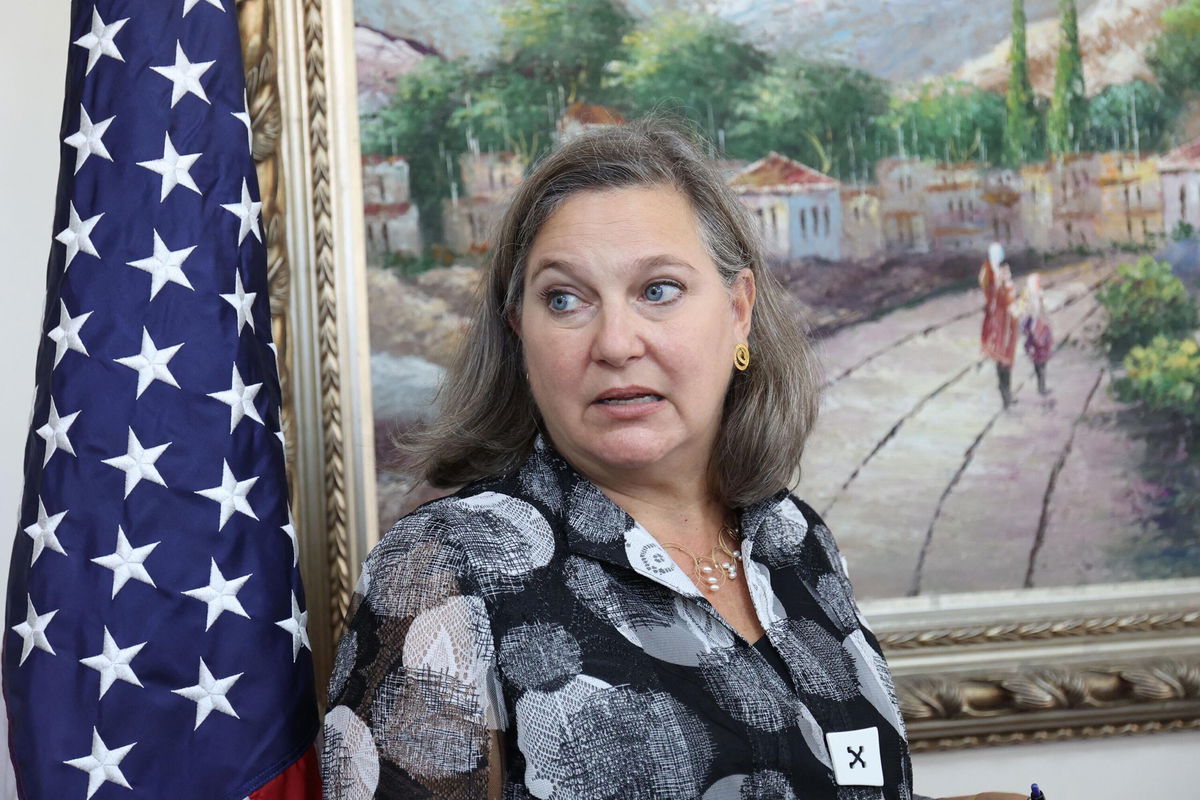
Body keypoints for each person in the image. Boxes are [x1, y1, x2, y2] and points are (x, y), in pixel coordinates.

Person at [320, 120, 913, 799]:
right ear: (521, 338)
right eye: (565, 299)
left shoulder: (794, 538)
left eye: (658, 290)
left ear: (738, 311)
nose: (616, 342)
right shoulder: (443, 564)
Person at [979, 242, 1020, 409]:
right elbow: (997, 298)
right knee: (1002, 356)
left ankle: (1007, 393)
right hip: (1001, 321)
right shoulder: (989, 274)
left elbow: (1008, 295)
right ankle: (1005, 394)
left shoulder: (999, 272)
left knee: (1006, 356)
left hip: (1006, 321)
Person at [1018, 273, 1053, 395]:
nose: (1039, 284)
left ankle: (1042, 385)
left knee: (1043, 359)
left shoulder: (1039, 294)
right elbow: (1026, 313)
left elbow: (1044, 311)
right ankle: (1041, 386)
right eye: (1037, 282)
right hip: (1034, 330)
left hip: (1042, 329)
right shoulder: (1028, 296)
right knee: (1038, 359)